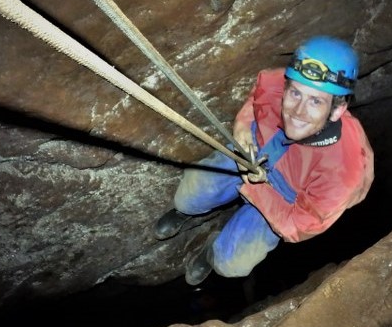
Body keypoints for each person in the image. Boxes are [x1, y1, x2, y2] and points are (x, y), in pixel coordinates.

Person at [154, 35, 375, 285]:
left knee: (232, 264)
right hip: (256, 149)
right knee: (190, 194)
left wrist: (260, 188)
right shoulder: (276, 83)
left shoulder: (342, 173)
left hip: (286, 197)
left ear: (337, 110)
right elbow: (255, 102)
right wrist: (242, 128)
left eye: (315, 101)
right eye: (295, 94)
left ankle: (211, 253)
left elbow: (297, 226)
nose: (298, 111)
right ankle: (185, 213)